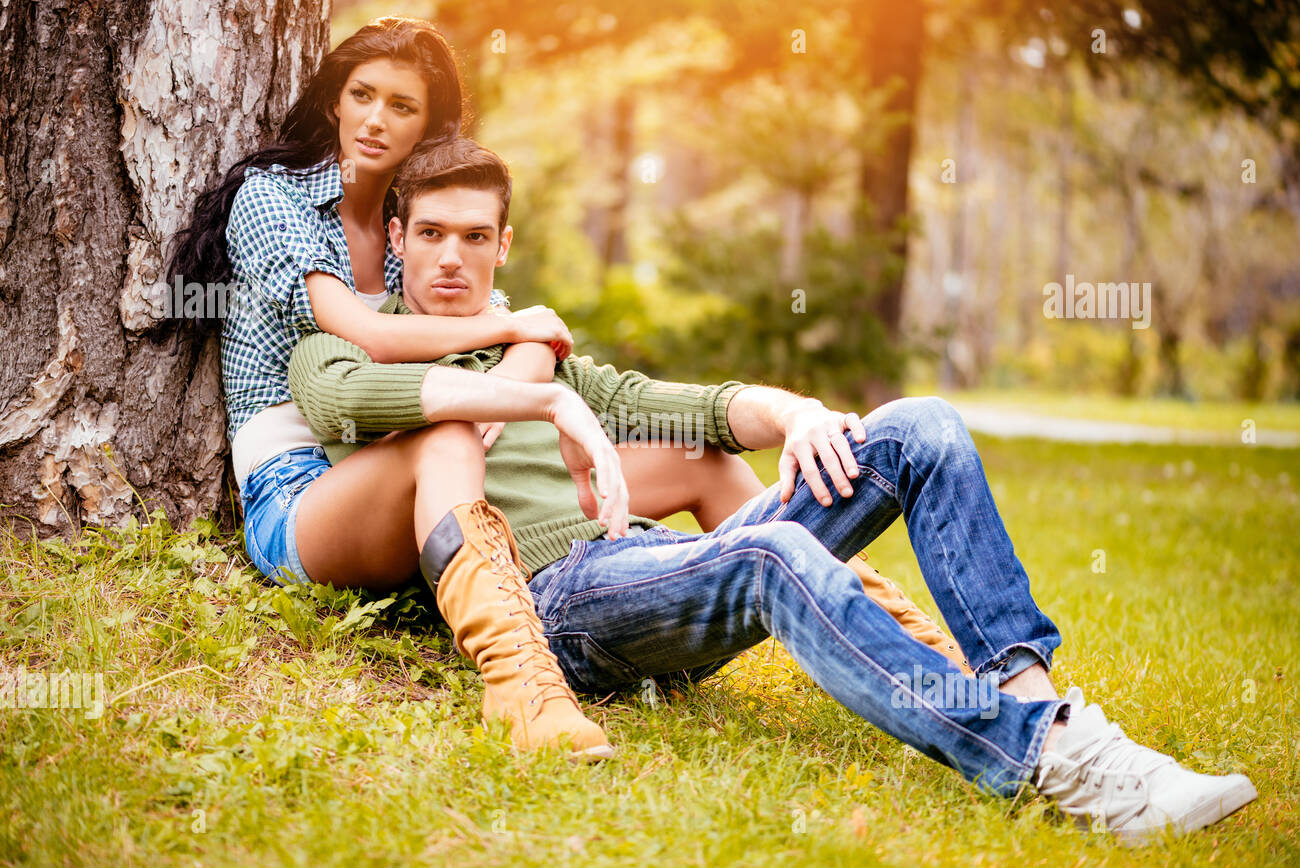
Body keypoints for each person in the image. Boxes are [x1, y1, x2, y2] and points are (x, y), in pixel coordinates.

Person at [287, 136, 1258, 843]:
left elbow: (693, 407)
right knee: (772, 550)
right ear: (399, 241)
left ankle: (1038, 703)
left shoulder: (545, 353)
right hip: (562, 606)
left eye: (474, 237)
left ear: (504, 248)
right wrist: (526, 387)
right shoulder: (345, 353)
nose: (450, 259)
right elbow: (346, 406)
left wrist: (794, 413)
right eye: (431, 236)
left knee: (919, 426)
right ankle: (1042, 765)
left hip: (646, 565)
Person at [167, 17, 960, 760]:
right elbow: (366, 348)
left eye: (402, 105)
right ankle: (518, 681)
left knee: (695, 457)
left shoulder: (423, 211)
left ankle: (926, 652)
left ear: (431, 127)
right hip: (308, 473)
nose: (375, 120)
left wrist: (537, 371)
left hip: (425, 456)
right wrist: (528, 369)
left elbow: (542, 355)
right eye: (361, 95)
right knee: (447, 436)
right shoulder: (282, 205)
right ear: (335, 100)